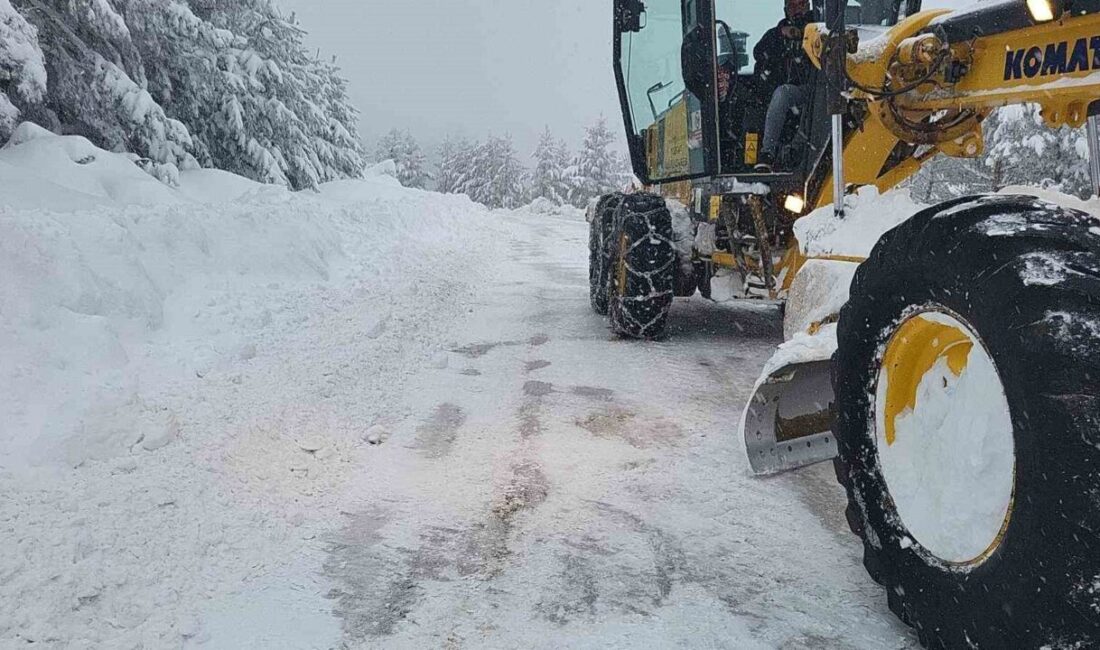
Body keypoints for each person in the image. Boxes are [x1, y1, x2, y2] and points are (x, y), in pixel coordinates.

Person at [753, 0, 817, 172]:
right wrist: (781, 34)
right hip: (795, 92)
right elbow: (758, 52)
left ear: (809, 6)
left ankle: (796, 150)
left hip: (821, 87)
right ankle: (767, 154)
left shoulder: (820, 28)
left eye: (801, 4)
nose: (797, 10)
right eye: (792, 6)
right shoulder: (777, 35)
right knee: (783, 94)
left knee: (817, 97)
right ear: (785, 10)